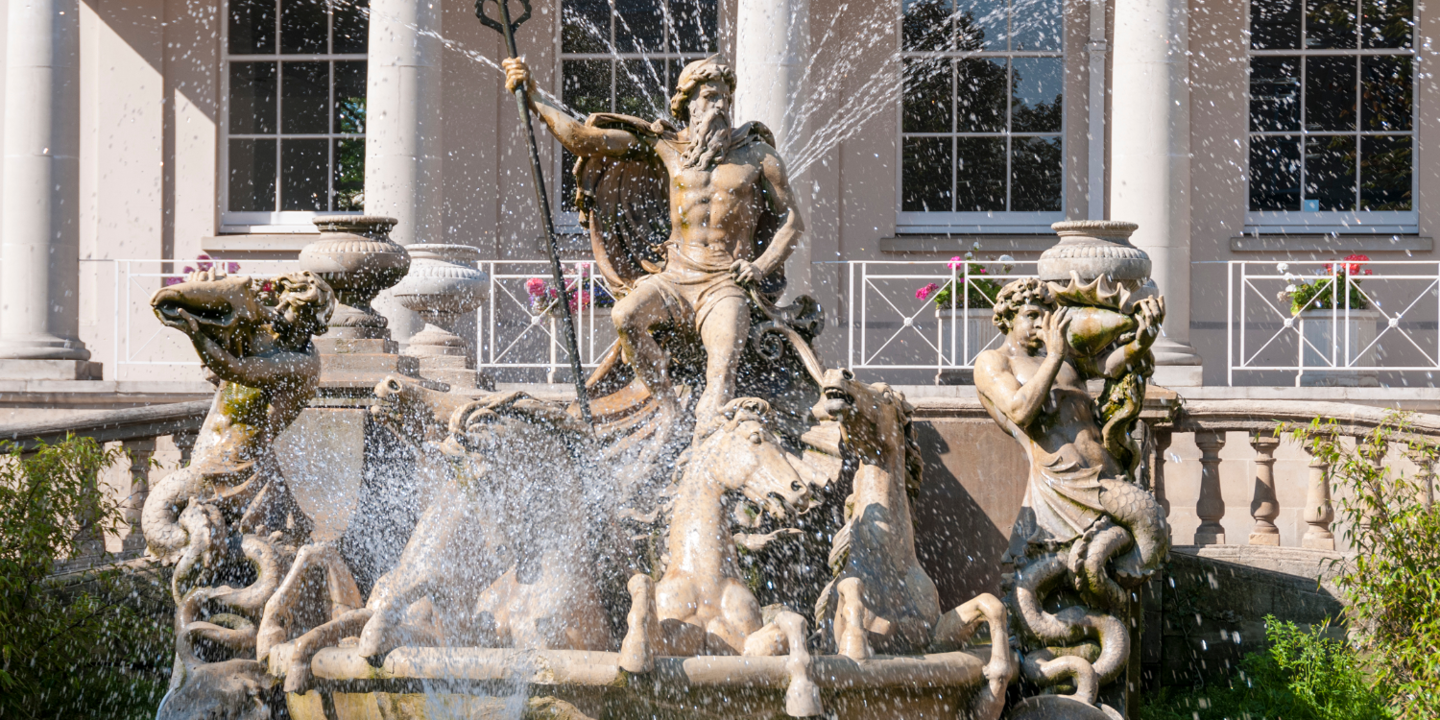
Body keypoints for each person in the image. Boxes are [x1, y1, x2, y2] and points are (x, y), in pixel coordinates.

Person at [502, 55, 805, 440]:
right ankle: (669, 409)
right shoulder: (666, 147)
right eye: (710, 96)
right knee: (625, 316)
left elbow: (793, 221)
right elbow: (581, 139)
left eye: (725, 97)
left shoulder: (758, 156)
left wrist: (760, 266)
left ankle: (707, 447)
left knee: (722, 368)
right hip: (675, 278)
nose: (720, 106)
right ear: (688, 102)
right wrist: (532, 96)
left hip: (724, 284)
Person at [973, 278, 1163, 553]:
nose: (1042, 323)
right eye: (1031, 315)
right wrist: (1054, 355)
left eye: (1046, 316)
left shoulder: (1063, 357)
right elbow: (1019, 411)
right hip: (1063, 483)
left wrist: (1141, 342)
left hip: (1108, 474)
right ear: (1008, 319)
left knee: (1148, 533)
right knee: (1147, 522)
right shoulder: (994, 361)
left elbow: (1110, 366)